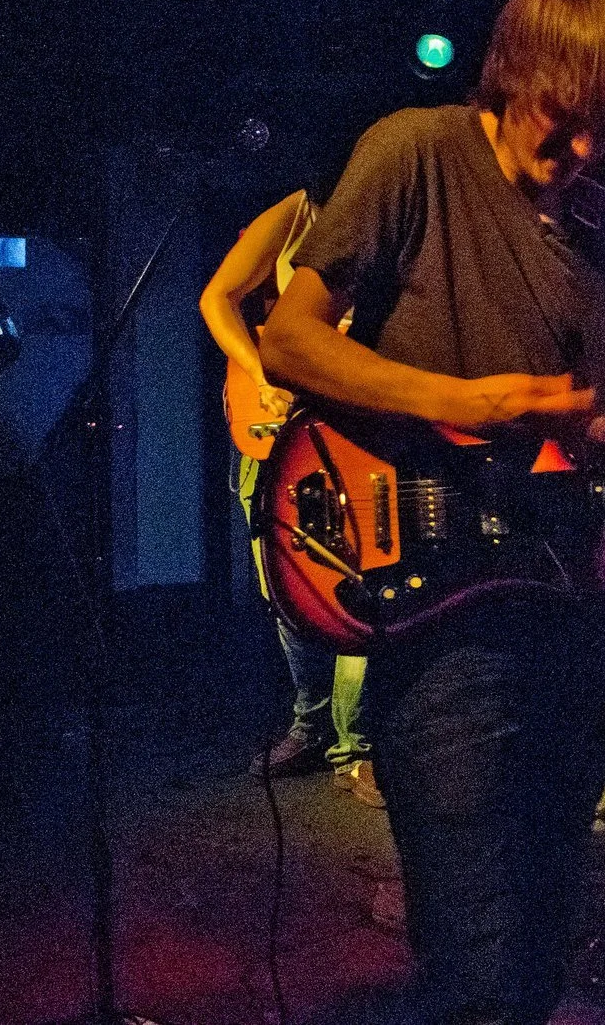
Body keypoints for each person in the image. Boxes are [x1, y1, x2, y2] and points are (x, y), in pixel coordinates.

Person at [261, 0, 605, 1025]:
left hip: (569, 611)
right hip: (438, 618)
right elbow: (288, 340)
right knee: (476, 966)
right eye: (563, 117)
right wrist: (461, 402)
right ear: (513, 67)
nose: (578, 151)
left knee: (546, 938)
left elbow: (594, 442)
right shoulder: (413, 154)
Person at [200, 185, 380, 807]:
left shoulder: (398, 211)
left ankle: (356, 745)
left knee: (358, 582)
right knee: (288, 588)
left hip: (357, 424)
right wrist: (259, 373)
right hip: (280, 426)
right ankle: (312, 721)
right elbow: (217, 297)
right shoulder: (297, 211)